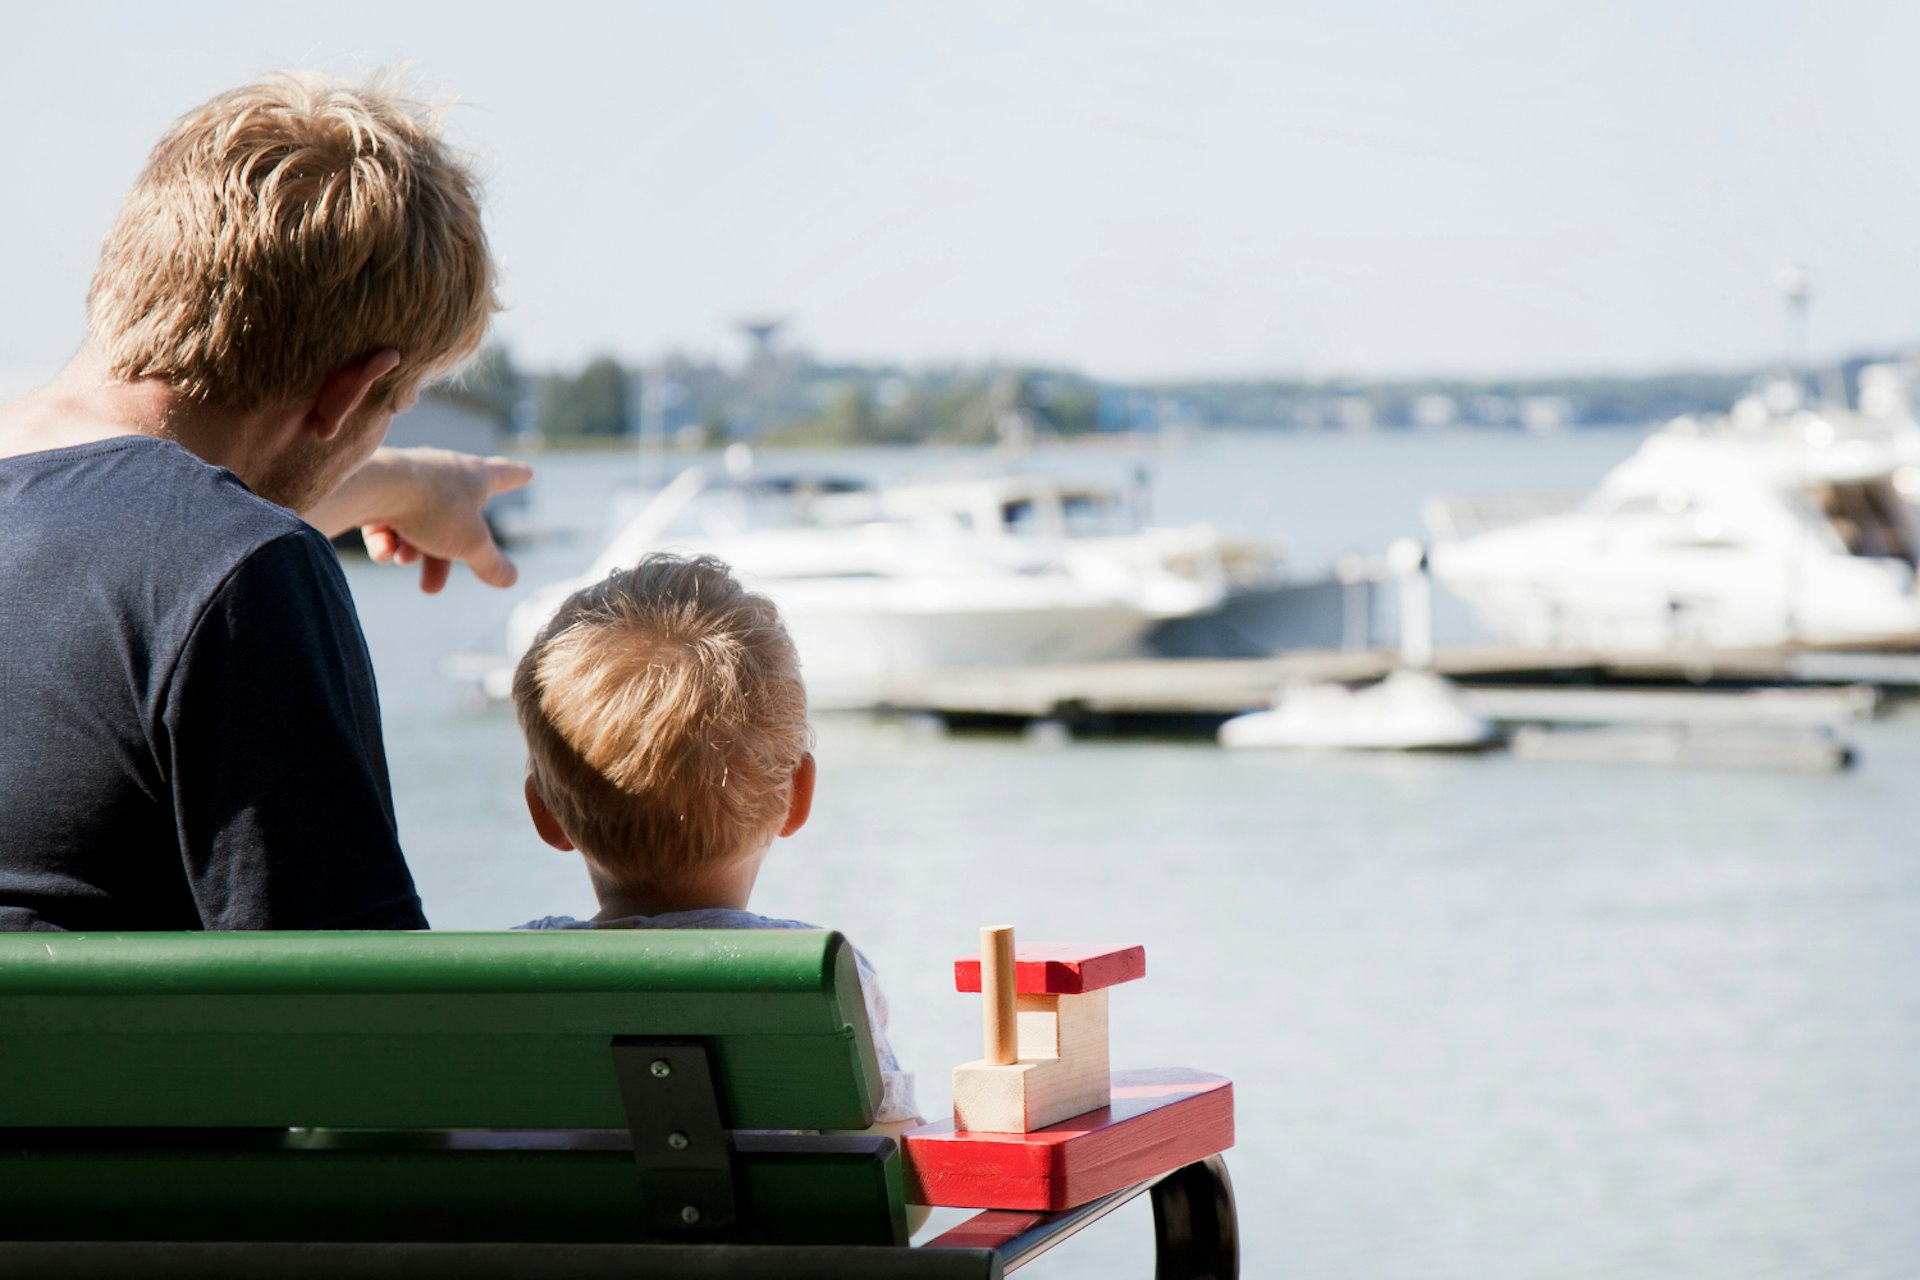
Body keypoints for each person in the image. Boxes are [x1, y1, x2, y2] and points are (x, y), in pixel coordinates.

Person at [0, 72, 529, 931]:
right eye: (393, 412)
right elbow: (347, 1017)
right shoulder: (244, 572)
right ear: (351, 394)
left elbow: (109, 538)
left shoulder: (180, 560)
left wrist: (403, 483)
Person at [512, 553, 921, 1130]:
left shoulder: (509, 979)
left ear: (543, 812)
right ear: (797, 797)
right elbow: (899, 1188)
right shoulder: (823, 976)